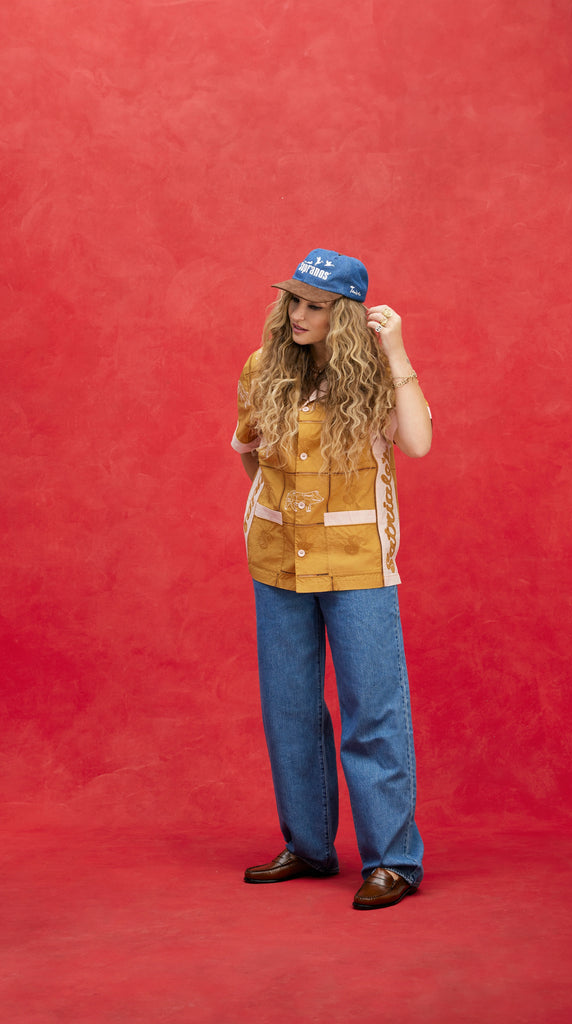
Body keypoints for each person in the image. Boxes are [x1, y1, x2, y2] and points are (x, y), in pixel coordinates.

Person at [231, 248, 432, 910]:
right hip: (278, 561)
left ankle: (393, 861)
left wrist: (396, 351)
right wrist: (280, 514)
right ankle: (310, 849)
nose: (297, 314)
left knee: (371, 710)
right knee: (289, 709)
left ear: (342, 314)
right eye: (293, 300)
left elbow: (418, 443)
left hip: (357, 565)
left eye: (314, 305)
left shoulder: (374, 375)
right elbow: (251, 456)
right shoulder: (262, 371)